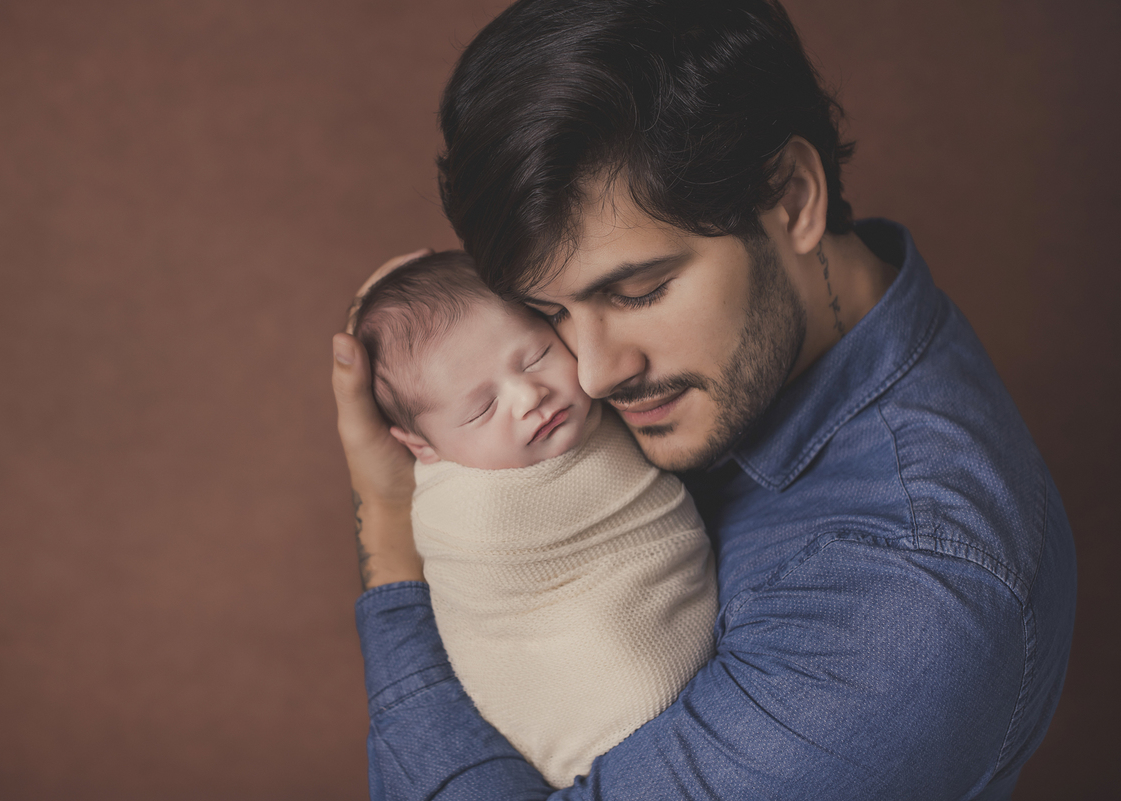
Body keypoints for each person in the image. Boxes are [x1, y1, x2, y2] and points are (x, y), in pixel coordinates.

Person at [331, 0, 1077, 797]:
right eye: (550, 313)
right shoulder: (728, 362)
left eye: (641, 291)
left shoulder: (906, 593)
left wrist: (388, 523)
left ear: (792, 198)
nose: (591, 372)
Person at [350, 250, 717, 788]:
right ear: (421, 446)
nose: (529, 397)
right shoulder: (467, 508)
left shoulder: (621, 392)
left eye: (536, 357)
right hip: (604, 718)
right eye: (480, 410)